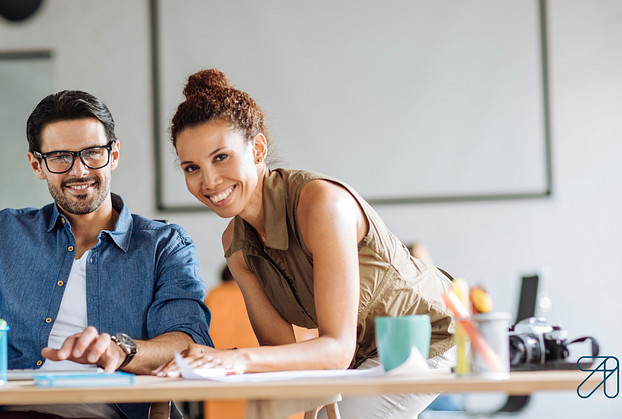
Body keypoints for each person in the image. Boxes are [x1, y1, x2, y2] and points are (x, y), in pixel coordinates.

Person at [155, 69, 457, 419]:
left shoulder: (321, 206)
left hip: (427, 339)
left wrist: (236, 358)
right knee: (263, 408)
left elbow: (337, 349)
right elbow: (282, 355)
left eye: (221, 157)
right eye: (191, 167)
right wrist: (218, 363)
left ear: (257, 148)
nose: (208, 181)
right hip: (361, 357)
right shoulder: (237, 247)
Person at [0, 90, 212, 419]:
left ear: (113, 154)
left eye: (92, 153)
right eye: (60, 157)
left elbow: (189, 343)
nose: (79, 170)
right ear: (36, 164)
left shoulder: (163, 246)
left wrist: (121, 349)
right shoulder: (1, 233)